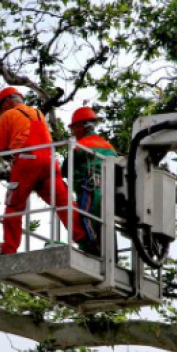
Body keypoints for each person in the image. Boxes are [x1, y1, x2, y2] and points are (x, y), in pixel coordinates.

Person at [0, 87, 87, 255]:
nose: (0, 113)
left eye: (0, 109)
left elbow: (0, 150)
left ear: (7, 102)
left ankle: (9, 249)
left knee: (14, 206)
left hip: (28, 161)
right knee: (64, 202)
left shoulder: (8, 115)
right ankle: (85, 240)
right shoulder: (38, 113)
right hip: (50, 162)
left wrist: (14, 160)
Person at [62, 106, 118, 256]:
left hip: (89, 190)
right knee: (107, 225)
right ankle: (111, 256)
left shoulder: (81, 146)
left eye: (74, 128)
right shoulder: (109, 147)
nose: (73, 132)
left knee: (85, 221)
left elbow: (64, 169)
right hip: (109, 192)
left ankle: (90, 250)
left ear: (82, 126)